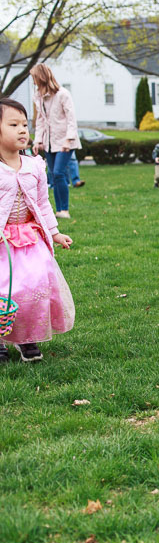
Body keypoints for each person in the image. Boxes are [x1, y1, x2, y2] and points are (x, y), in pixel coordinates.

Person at [0, 98, 74, 363]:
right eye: (13, 124)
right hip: (3, 244)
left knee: (34, 286)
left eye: (24, 124)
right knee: (5, 289)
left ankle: (26, 338)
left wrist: (54, 233)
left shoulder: (34, 166)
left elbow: (42, 203)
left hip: (29, 239)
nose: (22, 130)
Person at [30, 64, 81, 219]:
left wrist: (68, 139)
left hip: (65, 142)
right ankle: (58, 210)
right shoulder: (38, 96)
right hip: (49, 141)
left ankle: (64, 209)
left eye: (34, 78)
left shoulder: (62, 94)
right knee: (52, 174)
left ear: (41, 77)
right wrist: (37, 140)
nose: (33, 81)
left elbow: (71, 118)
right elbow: (40, 120)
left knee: (59, 172)